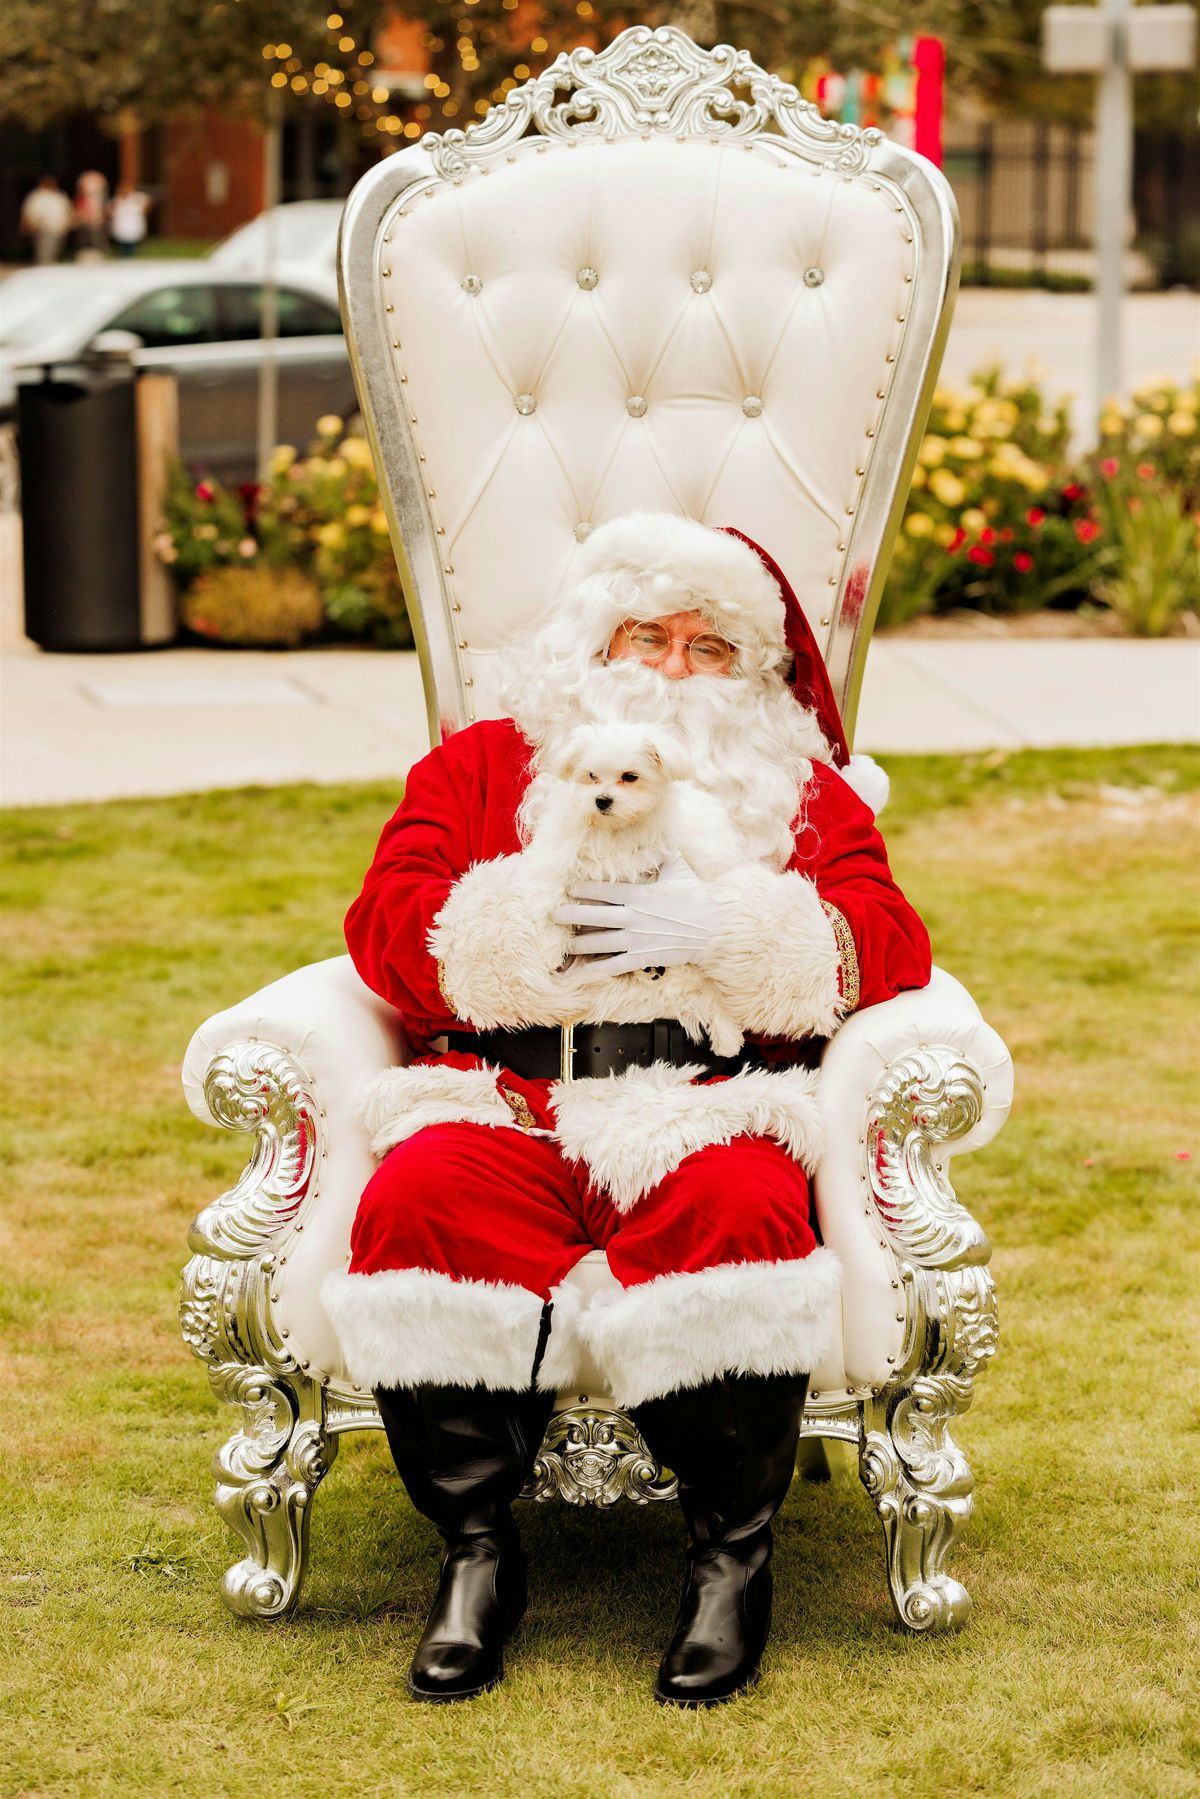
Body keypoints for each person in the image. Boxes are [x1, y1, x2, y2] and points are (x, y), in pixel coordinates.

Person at [322, 513, 931, 1707]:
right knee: (421, 1198)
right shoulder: (487, 763)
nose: (669, 668)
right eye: (645, 635)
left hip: (702, 1099)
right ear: (591, 645)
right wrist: (519, 922)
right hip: (508, 1093)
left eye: (708, 650)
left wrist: (740, 930)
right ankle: (477, 1551)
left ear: (752, 678)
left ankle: (728, 1558)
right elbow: (387, 921)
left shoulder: (796, 789)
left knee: (740, 1210)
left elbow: (892, 937)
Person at [19, 175, 73, 265]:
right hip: (43, 228)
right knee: (43, 250)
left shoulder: (59, 196)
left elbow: (67, 210)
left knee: (55, 249)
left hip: (57, 228)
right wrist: (28, 224)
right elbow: (30, 212)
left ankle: (49, 265)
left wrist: (66, 224)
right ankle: (42, 265)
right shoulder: (36, 196)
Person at [109, 181, 151, 257]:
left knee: (132, 243)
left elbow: (147, 204)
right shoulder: (116, 201)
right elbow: (110, 212)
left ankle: (132, 255)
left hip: (133, 226)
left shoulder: (137, 198)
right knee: (122, 243)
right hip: (121, 226)